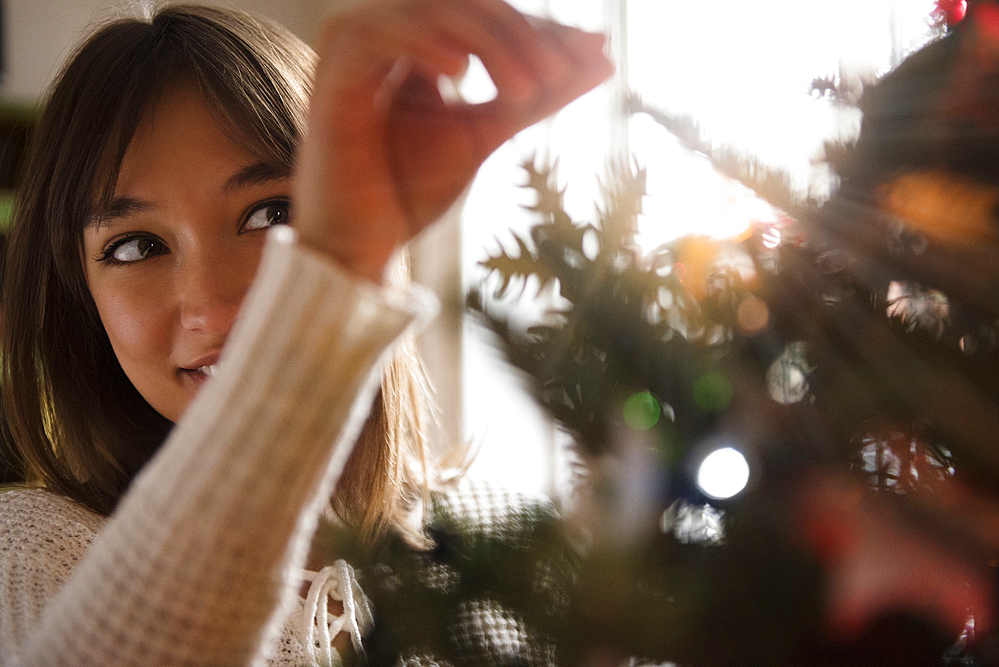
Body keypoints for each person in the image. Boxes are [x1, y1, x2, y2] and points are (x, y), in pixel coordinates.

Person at [0, 1, 613, 664]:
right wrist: (336, 259)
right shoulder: (30, 556)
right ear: (78, 298)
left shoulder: (504, 550)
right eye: (135, 246)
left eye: (270, 211)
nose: (215, 304)